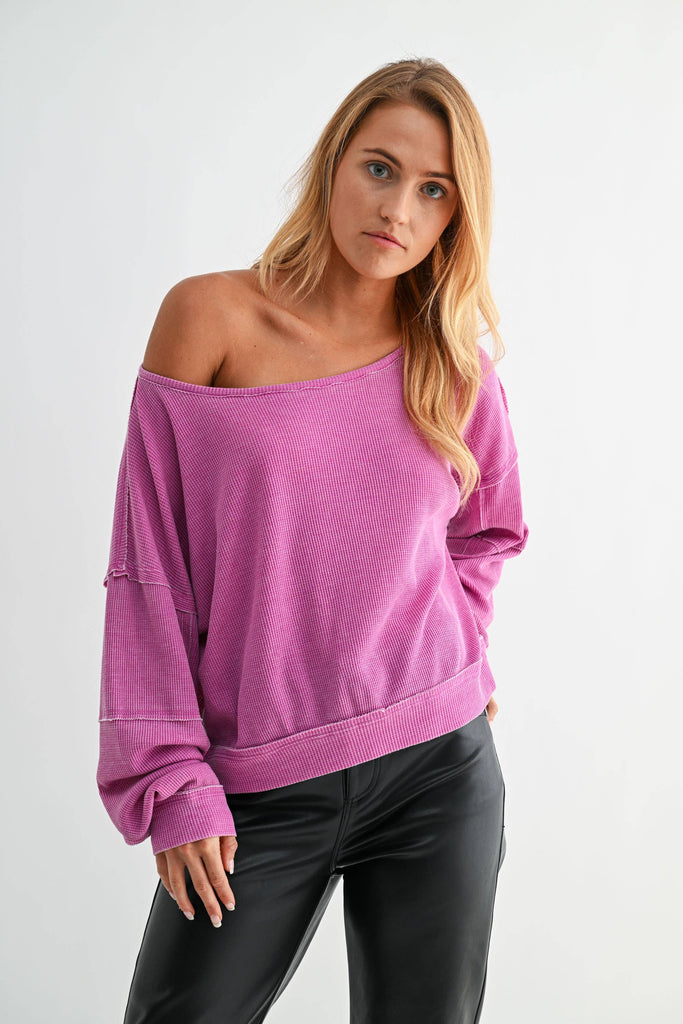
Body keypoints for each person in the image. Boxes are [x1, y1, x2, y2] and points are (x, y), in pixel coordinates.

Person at [97, 56, 530, 1024]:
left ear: (456, 216)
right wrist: (169, 774)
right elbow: (148, 567)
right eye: (379, 169)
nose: (398, 210)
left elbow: (486, 531)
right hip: (254, 785)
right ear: (334, 163)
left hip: (437, 769)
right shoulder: (210, 316)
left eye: (433, 190)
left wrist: (460, 645)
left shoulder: (452, 363)